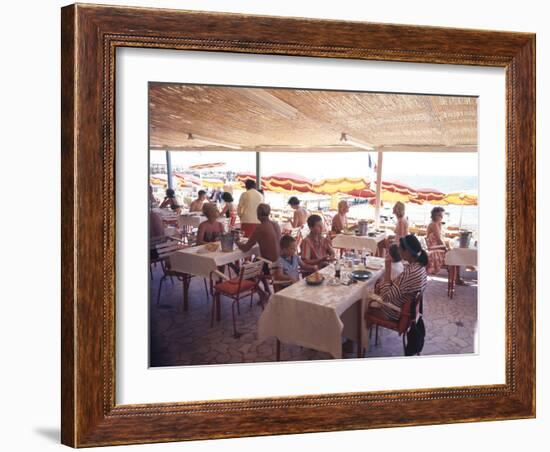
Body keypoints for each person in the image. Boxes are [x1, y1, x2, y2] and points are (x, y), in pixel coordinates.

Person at [366, 234, 428, 322]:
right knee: (376, 287)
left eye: (400, 248)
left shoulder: (410, 272)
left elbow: (385, 297)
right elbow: (400, 286)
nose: (398, 251)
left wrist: (388, 269)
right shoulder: (420, 266)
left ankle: (360, 333)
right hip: (406, 308)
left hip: (396, 313)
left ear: (407, 252)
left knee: (364, 302)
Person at [237, 203, 281, 296]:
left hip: (270, 266)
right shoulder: (276, 224)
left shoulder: (260, 228)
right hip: (280, 262)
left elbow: (245, 248)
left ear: (257, 214)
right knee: (257, 262)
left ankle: (262, 294)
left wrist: (236, 241)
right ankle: (267, 290)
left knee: (246, 272)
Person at [426, 206, 447, 275]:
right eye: (440, 215)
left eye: (442, 215)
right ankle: (456, 278)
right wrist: (445, 249)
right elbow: (438, 240)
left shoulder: (436, 224)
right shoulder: (433, 225)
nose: (442, 217)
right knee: (454, 255)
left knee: (454, 253)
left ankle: (456, 277)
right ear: (434, 215)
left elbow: (440, 239)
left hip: (435, 248)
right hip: (434, 250)